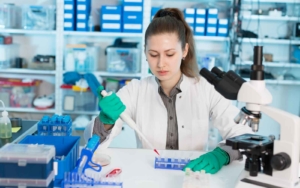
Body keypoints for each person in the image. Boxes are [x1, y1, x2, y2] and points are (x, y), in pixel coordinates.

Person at [84, 8, 252, 174]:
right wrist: (106, 121)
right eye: (153, 54)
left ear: (184, 51)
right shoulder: (134, 90)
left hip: (194, 176)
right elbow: (90, 144)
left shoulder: (205, 89)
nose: (161, 63)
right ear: (145, 52)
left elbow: (243, 135)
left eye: (170, 54)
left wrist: (222, 154)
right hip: (149, 177)